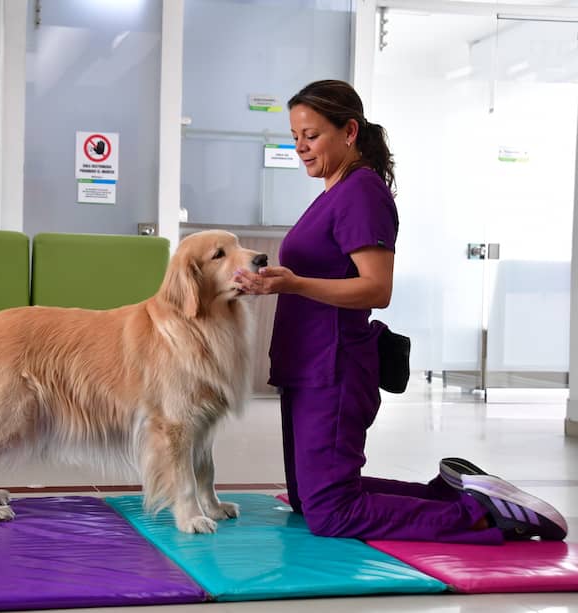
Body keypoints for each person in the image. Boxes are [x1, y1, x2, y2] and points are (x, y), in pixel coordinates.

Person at [233, 80, 567, 543]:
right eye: (294, 136)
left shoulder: (361, 191)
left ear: (349, 131)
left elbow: (376, 288)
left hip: (333, 366)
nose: (300, 147)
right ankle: (452, 495)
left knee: (331, 513)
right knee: (309, 499)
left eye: (311, 135)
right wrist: (276, 284)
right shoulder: (333, 191)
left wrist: (294, 282)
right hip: (304, 363)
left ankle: (482, 516)